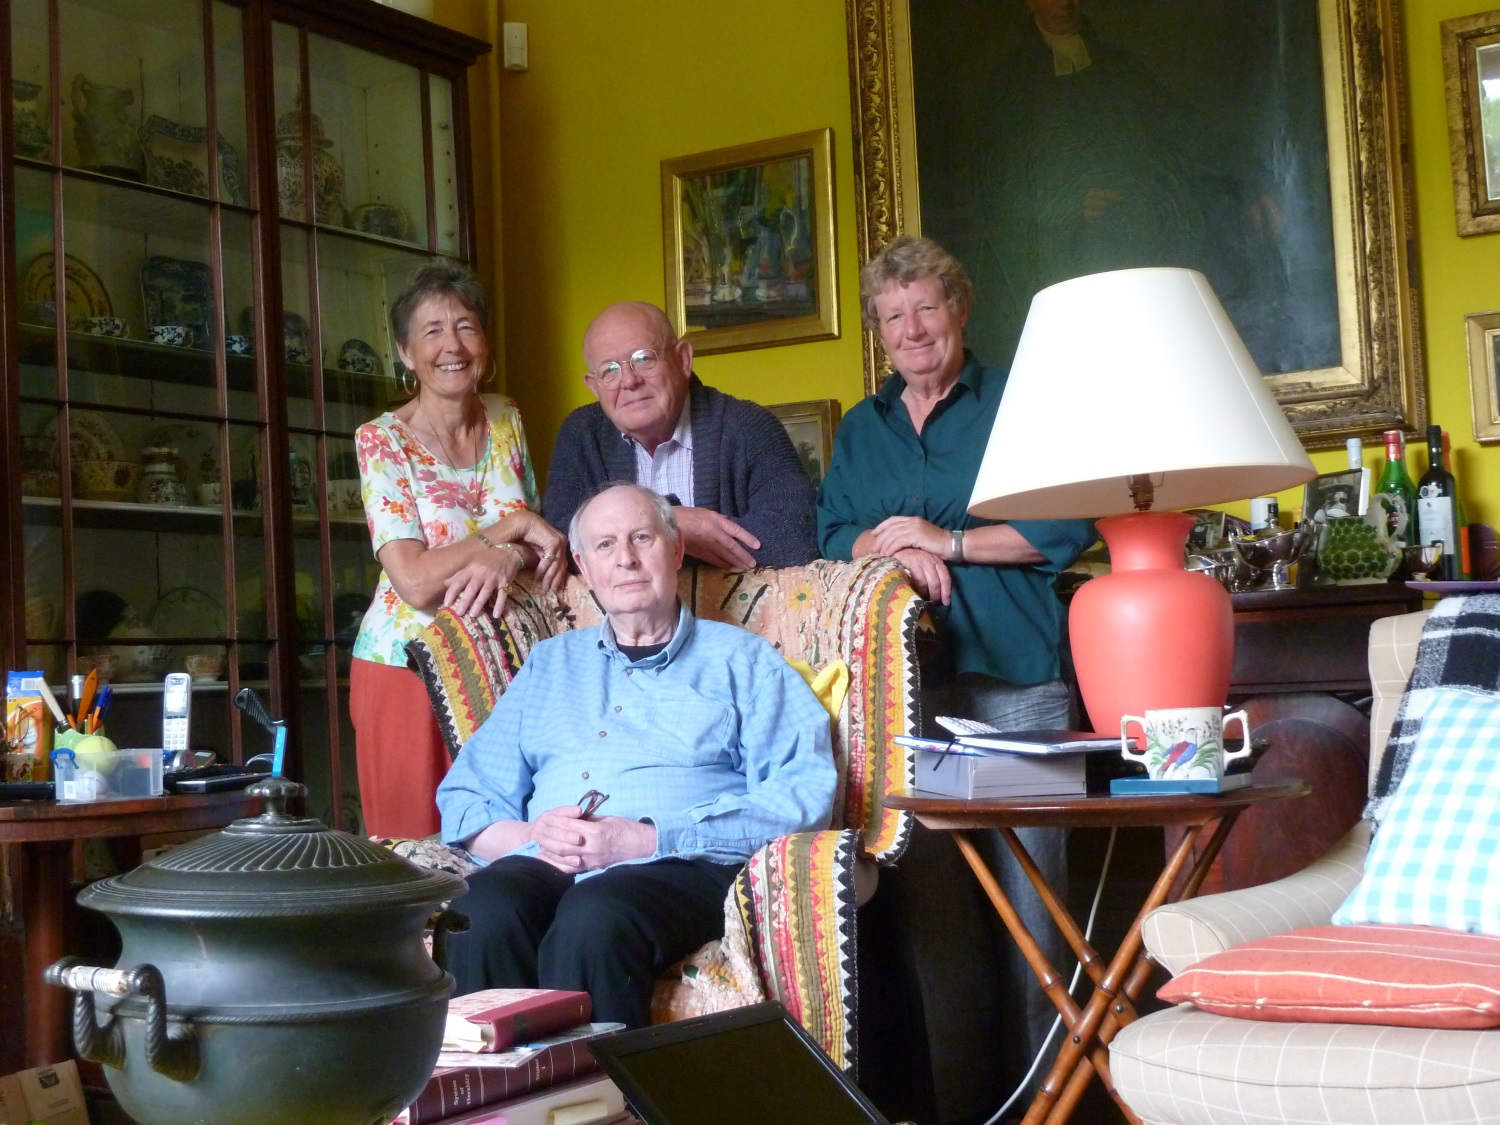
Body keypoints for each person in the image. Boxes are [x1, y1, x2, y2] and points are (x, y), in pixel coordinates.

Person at [816, 235, 1096, 1109]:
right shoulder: (863, 429)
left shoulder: (1018, 404)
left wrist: (950, 543)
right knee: (939, 927)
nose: (911, 329)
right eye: (892, 316)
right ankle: (967, 1110)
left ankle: (1050, 1105)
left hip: (1016, 686)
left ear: (960, 310)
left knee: (1035, 919)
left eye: (926, 308)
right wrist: (893, 547)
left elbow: (1064, 527)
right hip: (907, 700)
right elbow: (830, 539)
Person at [436, 482, 835, 1025]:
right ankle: (498, 1082)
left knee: (593, 918)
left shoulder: (744, 660)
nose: (625, 558)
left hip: (681, 865)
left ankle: (596, 1083)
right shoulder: (549, 664)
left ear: (676, 550)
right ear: (584, 566)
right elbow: (467, 798)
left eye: (641, 538)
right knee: (478, 913)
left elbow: (803, 794)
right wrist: (537, 835)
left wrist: (645, 838)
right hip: (548, 860)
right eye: (605, 545)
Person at [351, 263, 566, 840]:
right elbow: (416, 581)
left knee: (503, 843)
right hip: (408, 667)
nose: (452, 345)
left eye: (466, 326)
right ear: (405, 353)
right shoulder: (382, 441)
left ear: (485, 344)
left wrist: (512, 551)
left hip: (504, 661)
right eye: (432, 331)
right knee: (413, 851)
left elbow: (541, 546)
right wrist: (507, 529)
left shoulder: (506, 417)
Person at [542, 301, 818, 570]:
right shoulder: (581, 434)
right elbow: (555, 540)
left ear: (683, 359)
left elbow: (796, 537)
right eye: (609, 370)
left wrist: (651, 538)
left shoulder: (749, 426)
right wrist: (668, 523)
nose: (629, 381)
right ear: (594, 386)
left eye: (644, 359)